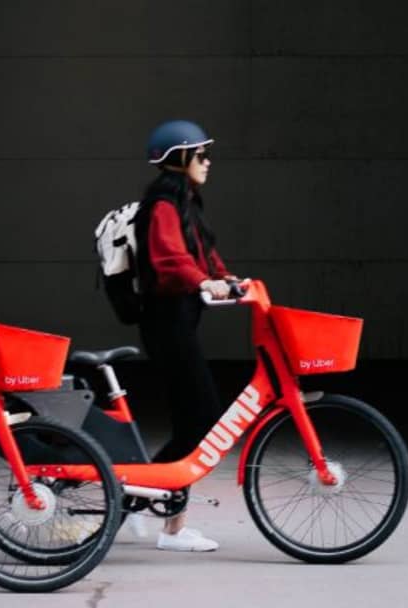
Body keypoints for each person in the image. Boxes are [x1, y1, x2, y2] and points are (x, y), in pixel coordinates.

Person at [133, 119, 237, 552]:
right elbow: (170, 259)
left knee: (190, 422)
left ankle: (147, 505)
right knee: (203, 418)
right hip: (166, 324)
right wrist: (202, 281)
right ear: (179, 159)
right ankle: (158, 514)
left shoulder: (184, 201)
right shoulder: (162, 203)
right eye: (201, 155)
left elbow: (200, 252)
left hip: (178, 322)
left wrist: (225, 277)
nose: (208, 162)